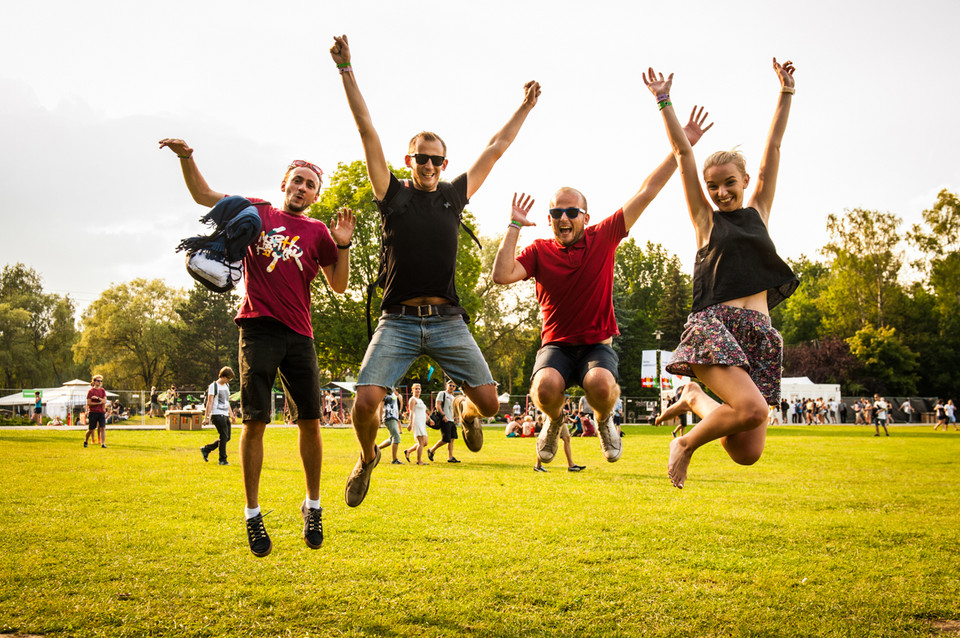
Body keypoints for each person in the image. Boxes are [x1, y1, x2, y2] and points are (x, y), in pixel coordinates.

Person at [330, 34, 539, 506]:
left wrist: (523, 108)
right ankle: (366, 459)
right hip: (399, 322)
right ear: (408, 161)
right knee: (365, 403)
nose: (428, 164)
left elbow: (497, 146)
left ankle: (465, 413)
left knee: (490, 404)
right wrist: (346, 69)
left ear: (445, 163)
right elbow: (367, 130)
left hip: (447, 322)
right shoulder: (393, 196)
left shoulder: (453, 195)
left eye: (436, 158)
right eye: (420, 157)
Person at [160, 138, 355, 557]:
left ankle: (313, 505)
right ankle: (252, 513)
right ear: (285, 183)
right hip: (257, 328)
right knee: (255, 422)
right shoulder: (257, 211)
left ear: (316, 195)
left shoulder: (318, 232)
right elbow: (202, 195)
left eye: (310, 186)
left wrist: (343, 244)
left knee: (310, 421)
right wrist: (187, 158)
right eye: (297, 181)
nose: (302, 188)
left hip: (300, 334)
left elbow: (339, 286)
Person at [492, 110, 711, 467]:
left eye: (571, 211)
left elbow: (648, 190)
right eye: (556, 212)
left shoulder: (604, 236)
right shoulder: (539, 251)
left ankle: (606, 418)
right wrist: (515, 225)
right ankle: (552, 419)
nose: (563, 217)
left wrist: (682, 144)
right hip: (557, 345)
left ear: (585, 217)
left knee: (600, 385)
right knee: (544, 387)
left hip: (596, 344)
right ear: (548, 219)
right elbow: (501, 274)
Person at [646, 59, 799, 489]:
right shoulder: (705, 220)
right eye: (714, 186)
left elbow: (773, 150)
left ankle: (694, 398)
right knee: (750, 410)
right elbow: (683, 154)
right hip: (716, 327)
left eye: (729, 183)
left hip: (759, 333)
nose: (721, 192)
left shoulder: (759, 213)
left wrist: (786, 93)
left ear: (745, 180)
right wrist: (664, 101)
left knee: (745, 453)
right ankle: (684, 445)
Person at [201, 367, 237, 465]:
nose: (228, 380)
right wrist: (206, 417)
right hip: (217, 414)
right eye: (228, 378)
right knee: (223, 436)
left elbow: (227, 401)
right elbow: (210, 401)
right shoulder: (214, 386)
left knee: (227, 437)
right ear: (222, 376)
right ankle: (222, 460)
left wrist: (231, 414)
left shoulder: (227, 386)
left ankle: (206, 449)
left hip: (225, 414)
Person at [427, 381, 461, 463]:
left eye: (453, 386)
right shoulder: (442, 393)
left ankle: (450, 457)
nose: (452, 387)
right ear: (446, 385)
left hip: (452, 420)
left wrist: (456, 418)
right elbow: (438, 405)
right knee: (446, 439)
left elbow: (454, 409)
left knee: (452, 439)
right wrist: (443, 416)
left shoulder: (453, 397)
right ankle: (431, 450)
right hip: (445, 419)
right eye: (450, 385)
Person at [376, 388, 404, 465]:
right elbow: (381, 406)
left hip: (394, 417)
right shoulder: (385, 394)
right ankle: (394, 459)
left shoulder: (393, 394)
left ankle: (375, 449)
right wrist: (380, 419)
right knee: (396, 437)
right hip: (389, 417)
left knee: (392, 439)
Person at [403, 384, 429, 465]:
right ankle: (419, 460)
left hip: (422, 422)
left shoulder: (420, 400)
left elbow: (424, 412)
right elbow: (412, 412)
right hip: (417, 422)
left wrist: (429, 419)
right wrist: (410, 423)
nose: (418, 390)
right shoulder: (413, 399)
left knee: (425, 442)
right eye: (416, 389)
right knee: (421, 442)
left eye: (419, 389)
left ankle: (408, 451)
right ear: (412, 390)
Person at [84, 375, 107, 448]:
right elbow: (89, 403)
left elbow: (105, 401)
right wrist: (98, 403)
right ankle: (86, 441)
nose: (100, 382)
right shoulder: (90, 391)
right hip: (93, 412)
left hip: (101, 412)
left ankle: (103, 444)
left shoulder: (102, 390)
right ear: (94, 382)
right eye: (98, 381)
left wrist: (97, 398)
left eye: (101, 381)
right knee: (91, 429)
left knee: (102, 427)